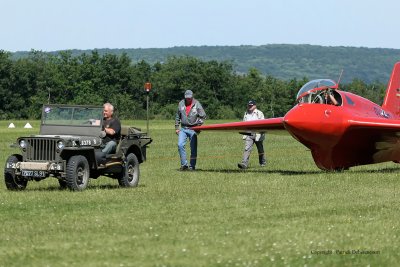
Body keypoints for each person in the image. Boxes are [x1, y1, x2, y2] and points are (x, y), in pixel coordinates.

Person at [175, 90, 206, 171]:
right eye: (186, 98)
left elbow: (203, 116)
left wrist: (198, 126)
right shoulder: (181, 103)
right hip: (183, 128)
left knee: (193, 148)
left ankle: (192, 166)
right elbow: (177, 116)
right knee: (180, 145)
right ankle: (184, 165)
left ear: (192, 97)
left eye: (189, 98)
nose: (188, 99)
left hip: (193, 129)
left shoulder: (197, 104)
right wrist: (177, 127)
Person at [238, 100, 266, 169]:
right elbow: (244, 123)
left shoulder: (259, 113)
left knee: (260, 149)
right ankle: (244, 164)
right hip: (249, 133)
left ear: (255, 106)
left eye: (251, 105)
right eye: (249, 105)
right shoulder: (246, 113)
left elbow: (263, 123)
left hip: (258, 134)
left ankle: (262, 162)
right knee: (247, 148)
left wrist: (261, 132)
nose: (250, 106)